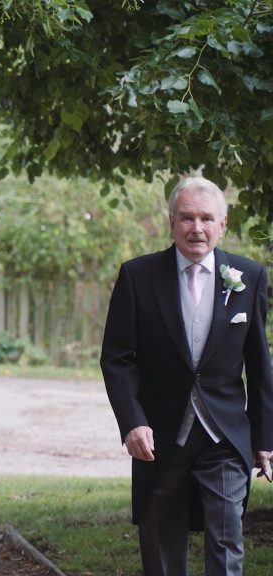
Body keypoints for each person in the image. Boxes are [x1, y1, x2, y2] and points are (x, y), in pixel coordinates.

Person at [100, 173, 273, 575]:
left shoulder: (248, 278)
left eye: (207, 219)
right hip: (158, 436)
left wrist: (264, 439)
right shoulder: (137, 276)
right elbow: (117, 359)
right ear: (171, 222)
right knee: (162, 547)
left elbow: (260, 365)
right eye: (187, 218)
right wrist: (133, 423)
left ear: (223, 224)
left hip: (225, 437)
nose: (197, 228)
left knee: (227, 543)